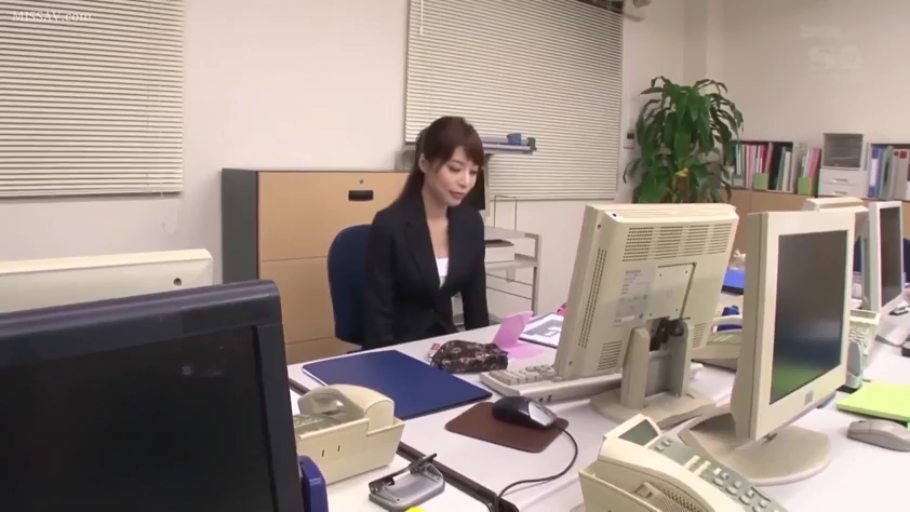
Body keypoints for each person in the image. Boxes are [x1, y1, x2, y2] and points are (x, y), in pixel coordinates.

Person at [363, 116, 489, 349]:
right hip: (398, 349)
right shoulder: (389, 224)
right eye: (455, 169)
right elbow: (377, 319)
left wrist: (484, 355)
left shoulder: (470, 223)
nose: (466, 182)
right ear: (424, 164)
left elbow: (476, 307)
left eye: (473, 172)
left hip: (444, 347)